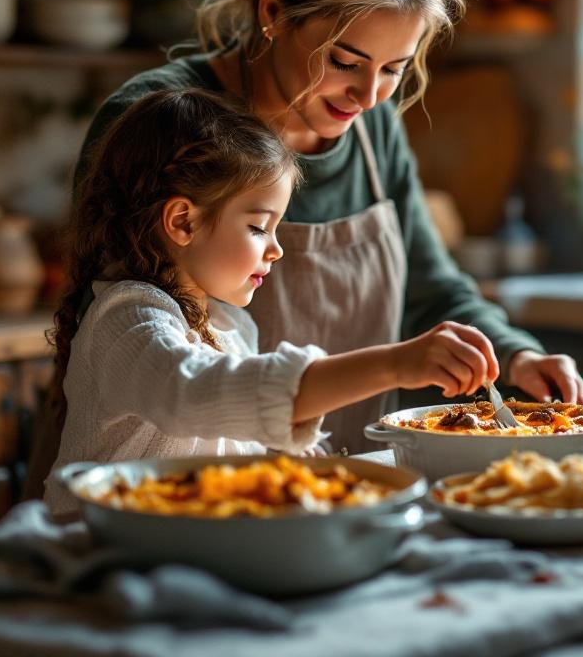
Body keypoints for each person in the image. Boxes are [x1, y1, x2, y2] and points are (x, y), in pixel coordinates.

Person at [34, 0, 583, 468]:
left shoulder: (371, 132)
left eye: (393, 69)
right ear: (273, 10)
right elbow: (137, 343)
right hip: (141, 485)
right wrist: (394, 363)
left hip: (317, 484)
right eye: (345, 61)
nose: (368, 95)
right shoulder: (154, 122)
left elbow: (429, 285)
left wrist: (518, 356)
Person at [40, 89, 499, 514]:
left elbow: (234, 440)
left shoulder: (232, 327)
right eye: (260, 227)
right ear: (183, 221)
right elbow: (200, 392)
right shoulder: (126, 322)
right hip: (93, 553)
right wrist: (396, 364)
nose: (276, 248)